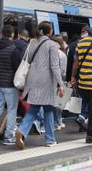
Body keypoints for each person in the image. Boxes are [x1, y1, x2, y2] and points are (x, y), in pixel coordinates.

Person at [15, 21, 64, 149]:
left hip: (32, 79)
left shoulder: (33, 42)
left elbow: (29, 59)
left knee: (36, 108)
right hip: (46, 81)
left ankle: (23, 130)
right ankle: (49, 139)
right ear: (50, 31)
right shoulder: (51, 45)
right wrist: (61, 84)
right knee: (47, 109)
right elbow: (54, 66)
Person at [70, 20, 92, 143]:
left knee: (87, 105)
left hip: (83, 81)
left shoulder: (81, 42)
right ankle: (91, 134)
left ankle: (82, 119)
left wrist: (73, 77)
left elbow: (76, 62)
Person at [52, 35, 68, 131]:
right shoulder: (62, 54)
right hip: (60, 80)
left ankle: (56, 122)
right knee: (59, 103)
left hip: (51, 81)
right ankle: (58, 121)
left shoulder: (50, 52)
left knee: (53, 103)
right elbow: (63, 71)